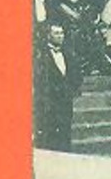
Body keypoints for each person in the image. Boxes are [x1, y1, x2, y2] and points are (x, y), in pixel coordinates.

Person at [34, 23, 82, 151]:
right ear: (48, 36)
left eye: (61, 33)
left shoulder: (69, 54)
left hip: (65, 101)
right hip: (48, 103)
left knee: (65, 132)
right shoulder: (41, 56)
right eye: (56, 33)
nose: (60, 36)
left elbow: (76, 75)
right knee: (50, 135)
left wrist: (71, 89)